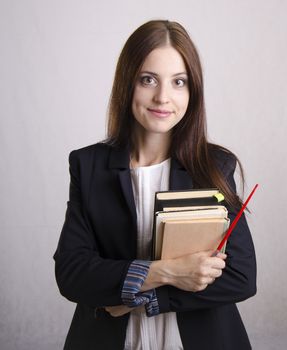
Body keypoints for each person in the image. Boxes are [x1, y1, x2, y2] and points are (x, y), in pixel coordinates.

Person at [54, 20, 256, 350]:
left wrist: (146, 298)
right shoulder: (87, 165)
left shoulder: (215, 166)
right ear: (127, 84)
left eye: (179, 82)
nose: (163, 97)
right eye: (148, 80)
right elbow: (72, 273)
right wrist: (169, 271)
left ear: (192, 92)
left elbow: (241, 277)